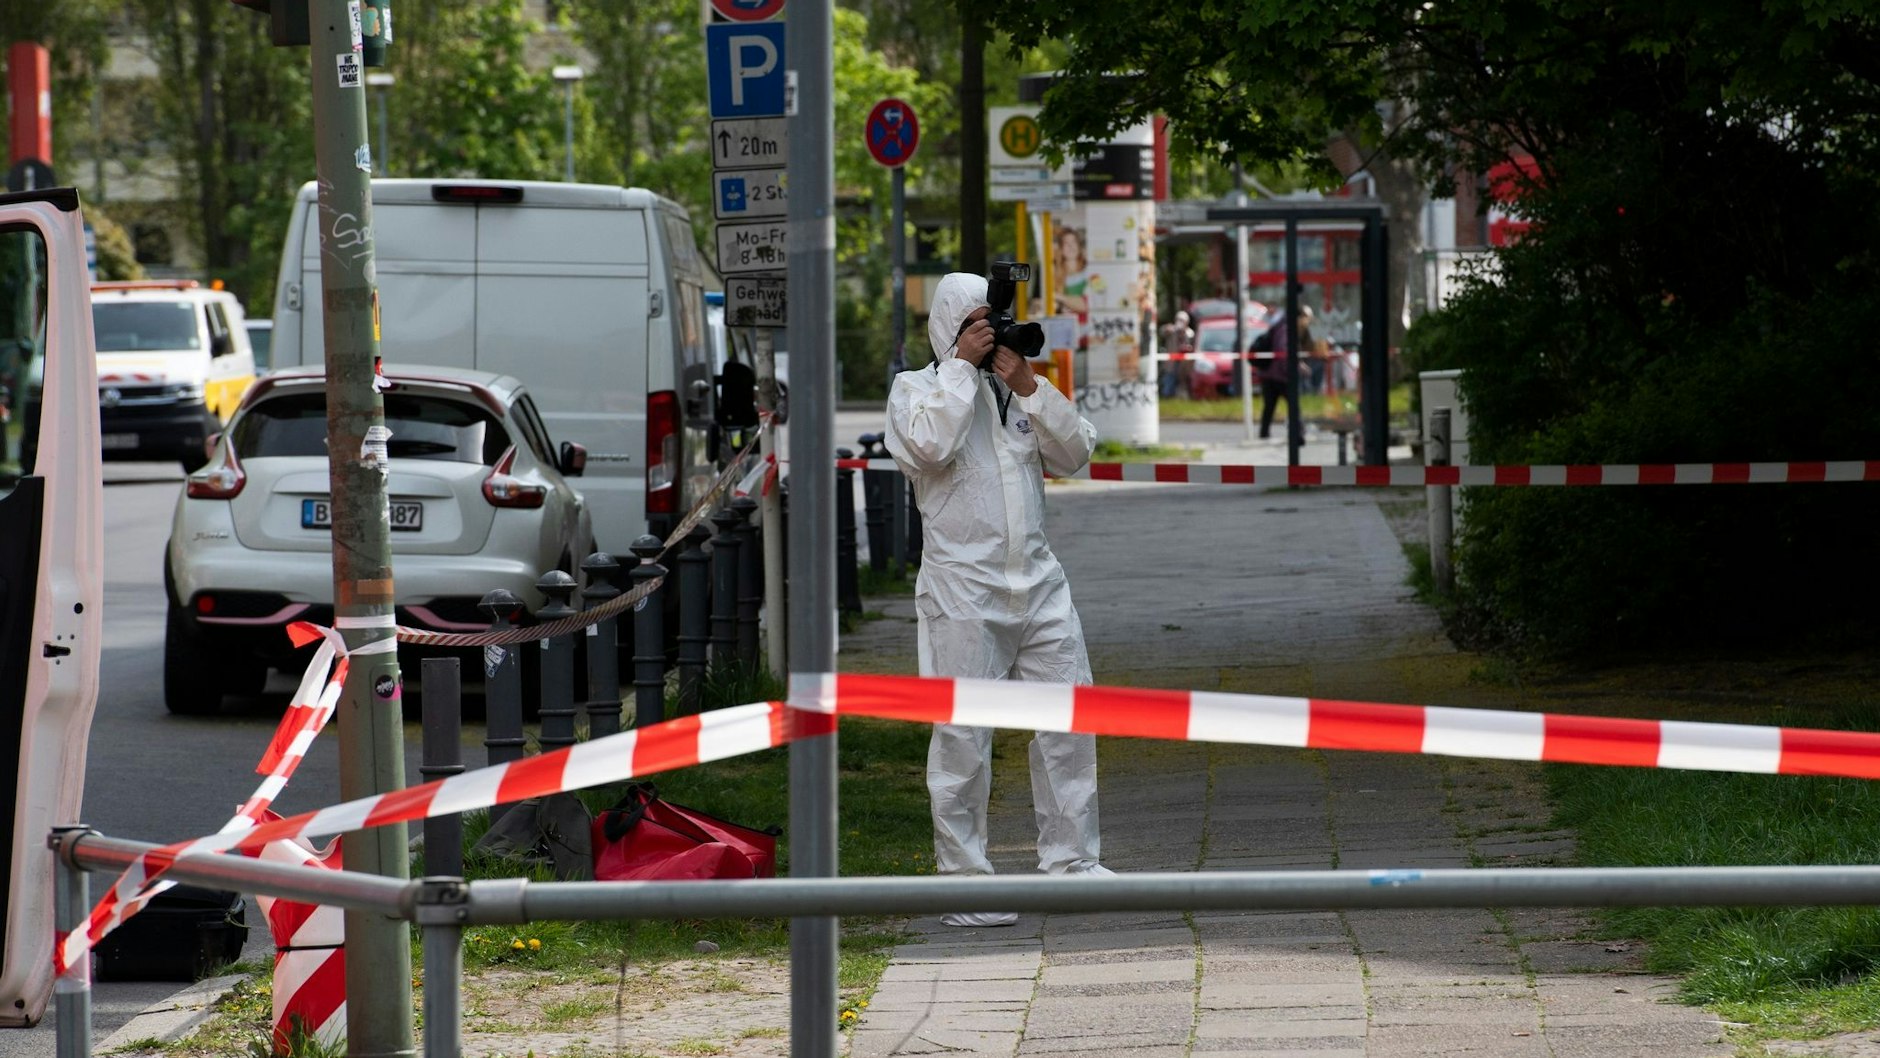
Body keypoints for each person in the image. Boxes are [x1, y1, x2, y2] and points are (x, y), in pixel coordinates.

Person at [885, 272, 1110, 927]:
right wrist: (960, 368)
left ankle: (1074, 866)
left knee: (1071, 723)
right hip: (962, 593)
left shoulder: (1015, 393)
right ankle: (964, 883)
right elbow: (930, 447)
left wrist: (1030, 388)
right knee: (961, 739)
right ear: (952, 328)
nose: (993, 333)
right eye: (978, 322)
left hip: (1038, 585)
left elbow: (1076, 453)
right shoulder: (917, 390)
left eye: (997, 321)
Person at [1254, 306, 1314, 439]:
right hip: (1280, 375)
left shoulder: (1280, 325)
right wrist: (1294, 369)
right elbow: (1284, 351)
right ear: (1299, 317)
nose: (1307, 322)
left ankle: (1264, 434)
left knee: (1269, 407)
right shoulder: (1287, 329)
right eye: (1306, 319)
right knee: (1293, 405)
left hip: (1269, 374)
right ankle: (1298, 433)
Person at [1158, 309, 1195, 399]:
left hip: (1184, 364)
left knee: (1182, 384)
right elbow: (1161, 332)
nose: (1180, 322)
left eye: (1182, 321)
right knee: (1168, 382)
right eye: (1178, 320)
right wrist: (1168, 328)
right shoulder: (1171, 331)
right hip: (1171, 363)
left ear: (1187, 322)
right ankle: (1167, 398)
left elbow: (1193, 347)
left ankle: (1180, 398)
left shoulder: (1190, 334)